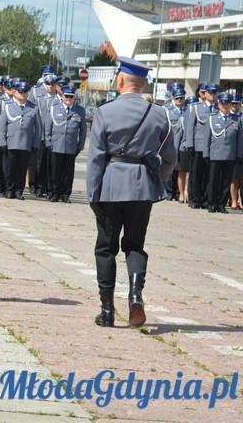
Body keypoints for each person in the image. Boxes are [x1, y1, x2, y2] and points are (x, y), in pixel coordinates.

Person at [86, 56, 176, 329]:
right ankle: (136, 296)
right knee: (135, 245)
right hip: (143, 187)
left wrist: (94, 193)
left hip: (112, 186)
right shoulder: (159, 113)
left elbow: (96, 158)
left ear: (121, 80)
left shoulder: (105, 111)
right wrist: (156, 179)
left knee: (106, 248)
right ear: (144, 83)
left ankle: (107, 310)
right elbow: (170, 157)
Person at [46, 86, 87, 203]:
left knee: (68, 173)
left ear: (74, 98)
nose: (68, 99)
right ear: (62, 97)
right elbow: (47, 127)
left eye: (71, 97)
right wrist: (48, 142)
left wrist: (80, 146)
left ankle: (65, 194)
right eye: (66, 96)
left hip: (70, 146)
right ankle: (55, 193)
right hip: (56, 145)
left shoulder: (79, 111)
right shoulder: (55, 108)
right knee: (55, 172)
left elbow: (83, 131)